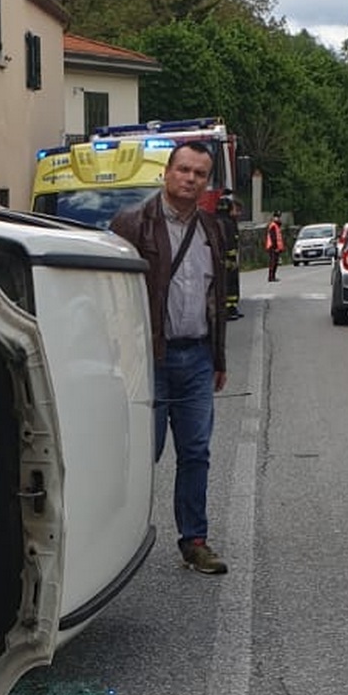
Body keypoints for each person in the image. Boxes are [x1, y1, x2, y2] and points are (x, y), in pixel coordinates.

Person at [109, 141, 229, 575]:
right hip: (149, 359)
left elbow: (217, 299)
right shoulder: (131, 224)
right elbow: (115, 298)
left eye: (199, 173)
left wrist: (218, 358)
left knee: (196, 451)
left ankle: (194, 541)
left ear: (207, 180)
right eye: (183, 170)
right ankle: (119, 543)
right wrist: (122, 358)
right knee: (146, 452)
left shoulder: (211, 229)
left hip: (196, 356)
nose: (190, 179)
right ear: (167, 172)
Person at [216, 190, 243, 320]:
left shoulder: (222, 221)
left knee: (230, 286)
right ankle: (229, 310)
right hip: (227, 260)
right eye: (236, 210)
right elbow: (230, 242)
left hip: (227, 260)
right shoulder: (226, 222)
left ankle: (231, 308)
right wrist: (231, 258)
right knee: (229, 286)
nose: (238, 213)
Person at [265, 212, 285, 282]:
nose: (278, 218)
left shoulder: (277, 225)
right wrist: (275, 247)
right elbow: (273, 237)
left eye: (279, 217)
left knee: (275, 263)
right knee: (273, 262)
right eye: (276, 217)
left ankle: (273, 276)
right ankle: (271, 277)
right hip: (272, 247)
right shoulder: (273, 225)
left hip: (276, 247)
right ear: (273, 217)